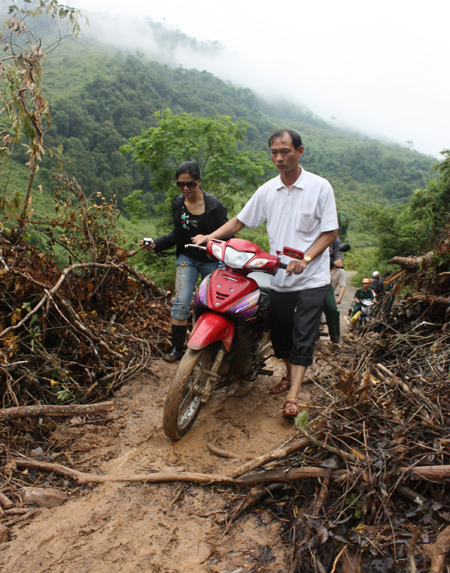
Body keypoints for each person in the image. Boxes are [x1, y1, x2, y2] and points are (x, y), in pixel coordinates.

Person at [193, 129, 338, 418]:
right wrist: (209, 236)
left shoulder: (320, 187)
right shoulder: (268, 190)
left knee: (303, 334)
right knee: (281, 333)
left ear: (300, 151)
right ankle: (289, 375)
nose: (279, 157)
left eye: (285, 151)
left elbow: (330, 232)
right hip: (280, 276)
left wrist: (307, 258)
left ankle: (293, 396)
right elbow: (239, 221)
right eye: (274, 152)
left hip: (311, 278)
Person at [141, 161, 228, 361]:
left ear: (199, 181)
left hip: (211, 259)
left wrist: (208, 238)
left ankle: (208, 349)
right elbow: (177, 234)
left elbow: (226, 235)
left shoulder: (214, 206)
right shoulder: (178, 204)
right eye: (181, 184)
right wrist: (156, 244)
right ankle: (177, 349)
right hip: (187, 257)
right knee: (180, 303)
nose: (186, 188)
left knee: (210, 305)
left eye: (190, 184)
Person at [322, 238, 345, 345]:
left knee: (332, 309)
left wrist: (333, 262)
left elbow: (339, 261)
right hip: (306, 279)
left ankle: (335, 336)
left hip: (324, 281)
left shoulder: (334, 240)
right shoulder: (309, 235)